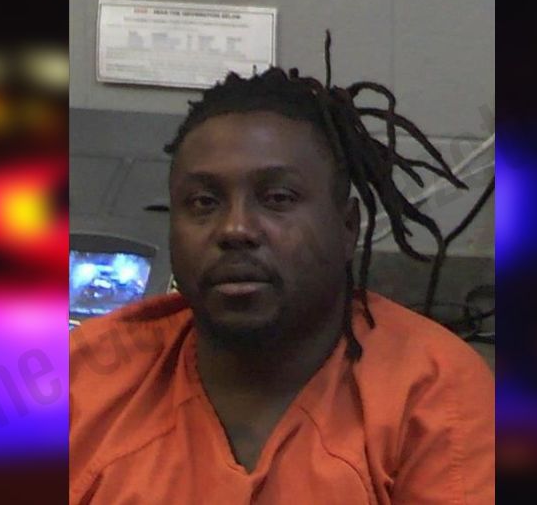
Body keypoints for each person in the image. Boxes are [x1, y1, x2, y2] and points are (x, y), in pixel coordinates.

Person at [70, 44, 494, 503]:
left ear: (347, 227)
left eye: (277, 198)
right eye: (203, 202)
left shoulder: (433, 394)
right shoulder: (82, 378)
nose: (235, 229)